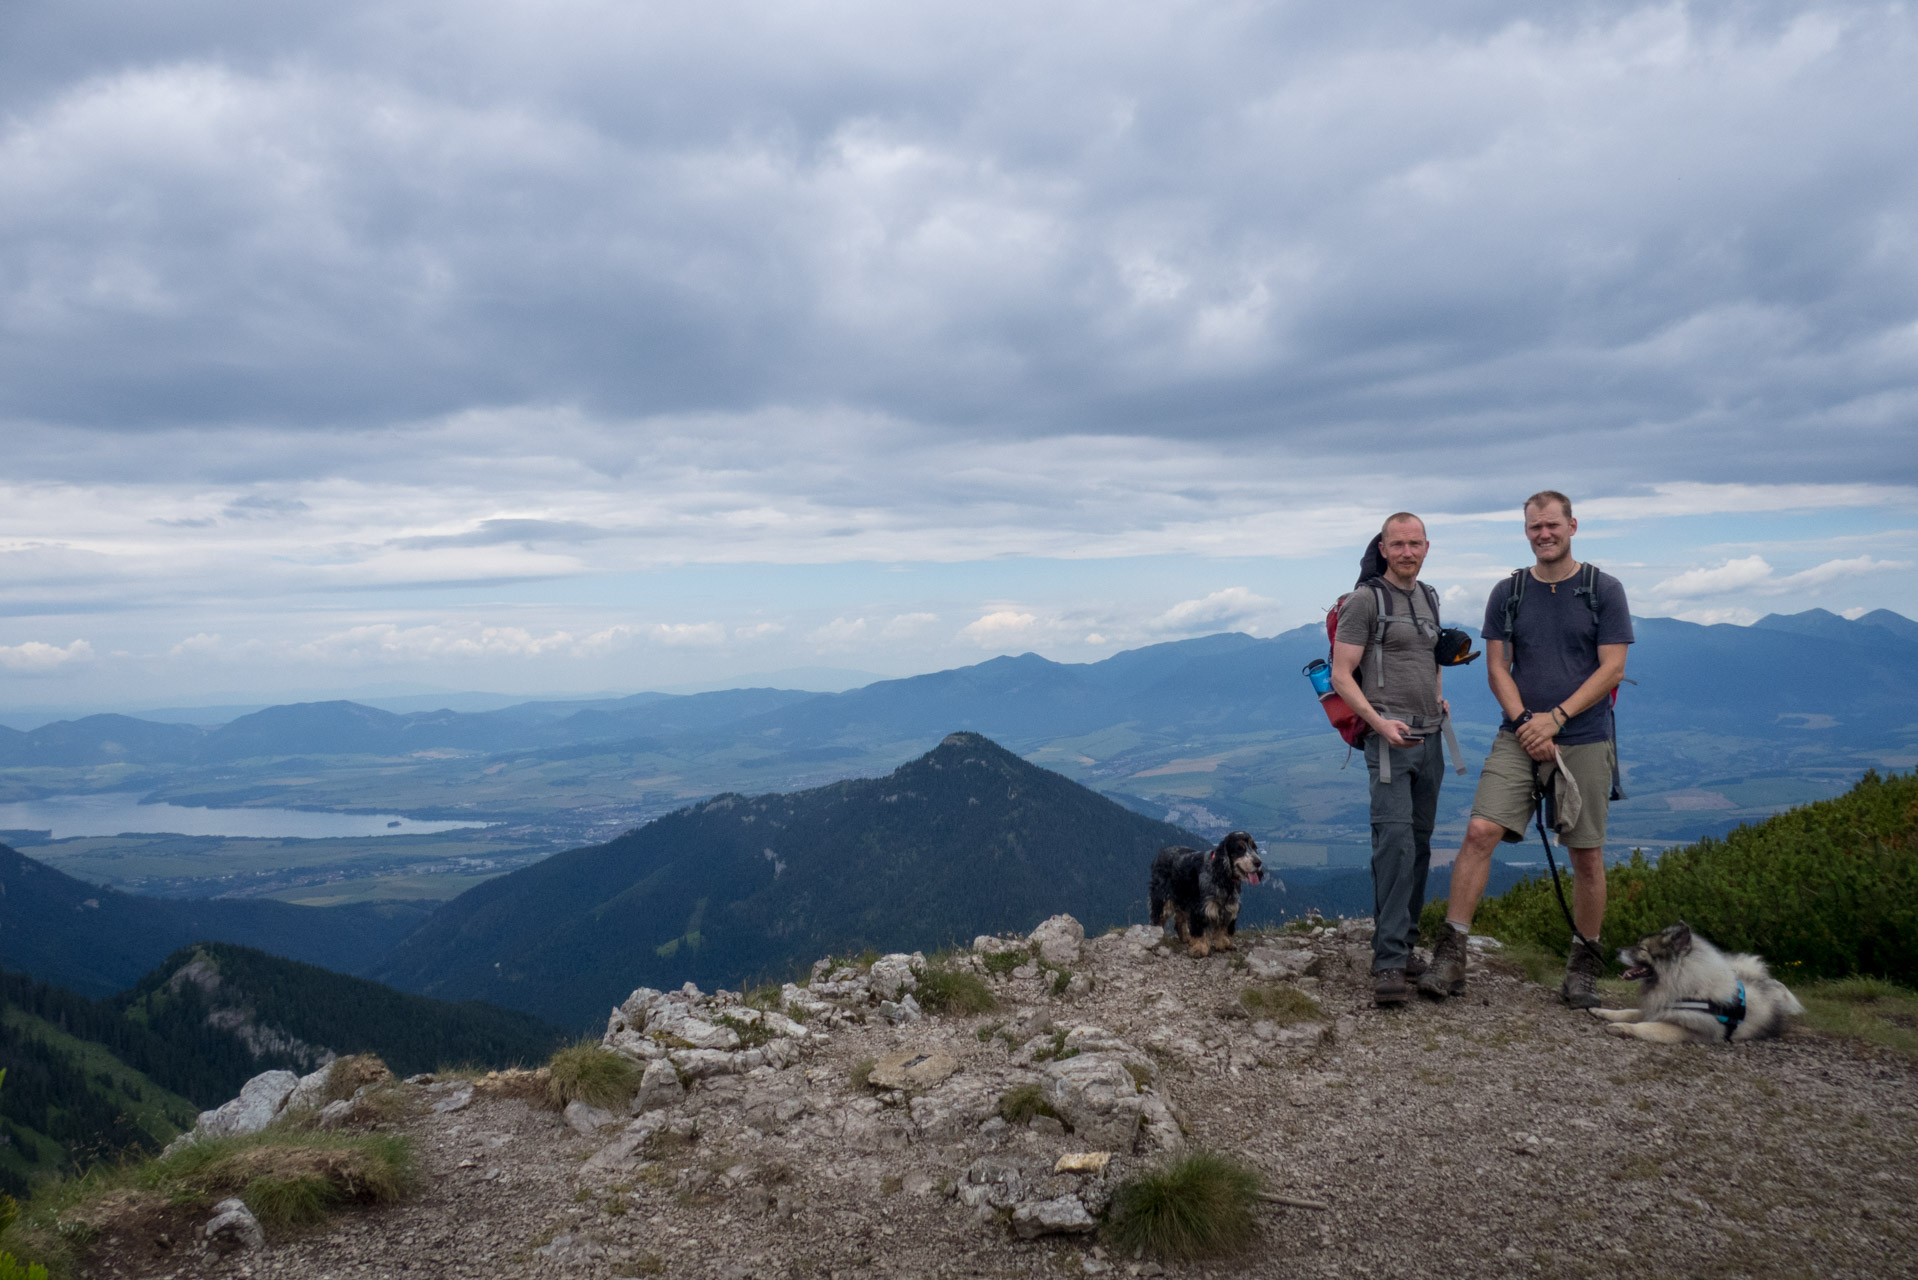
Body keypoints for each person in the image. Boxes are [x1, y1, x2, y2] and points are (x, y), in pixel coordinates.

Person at [1419, 490, 1633, 1008]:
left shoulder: (1603, 589)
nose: (1544, 534)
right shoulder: (1509, 592)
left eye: (1552, 525)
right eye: (1535, 527)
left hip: (1583, 737)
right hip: (1518, 733)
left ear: (1572, 526)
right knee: (1479, 831)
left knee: (1585, 855)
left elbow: (1613, 669)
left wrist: (1555, 719)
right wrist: (1524, 723)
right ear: (1527, 532)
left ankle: (1583, 964)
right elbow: (1496, 667)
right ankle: (1451, 955)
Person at [1329, 512, 1451, 1007]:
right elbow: (1342, 674)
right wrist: (1379, 725)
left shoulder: (1430, 597)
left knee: (1419, 846)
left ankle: (1404, 947)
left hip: (1431, 738)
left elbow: (1432, 661)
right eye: (1397, 543)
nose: (1406, 551)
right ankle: (1387, 963)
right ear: (1383, 547)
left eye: (1414, 543)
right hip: (1388, 742)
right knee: (1394, 844)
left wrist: (1439, 700)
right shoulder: (1366, 600)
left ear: (1427, 547)